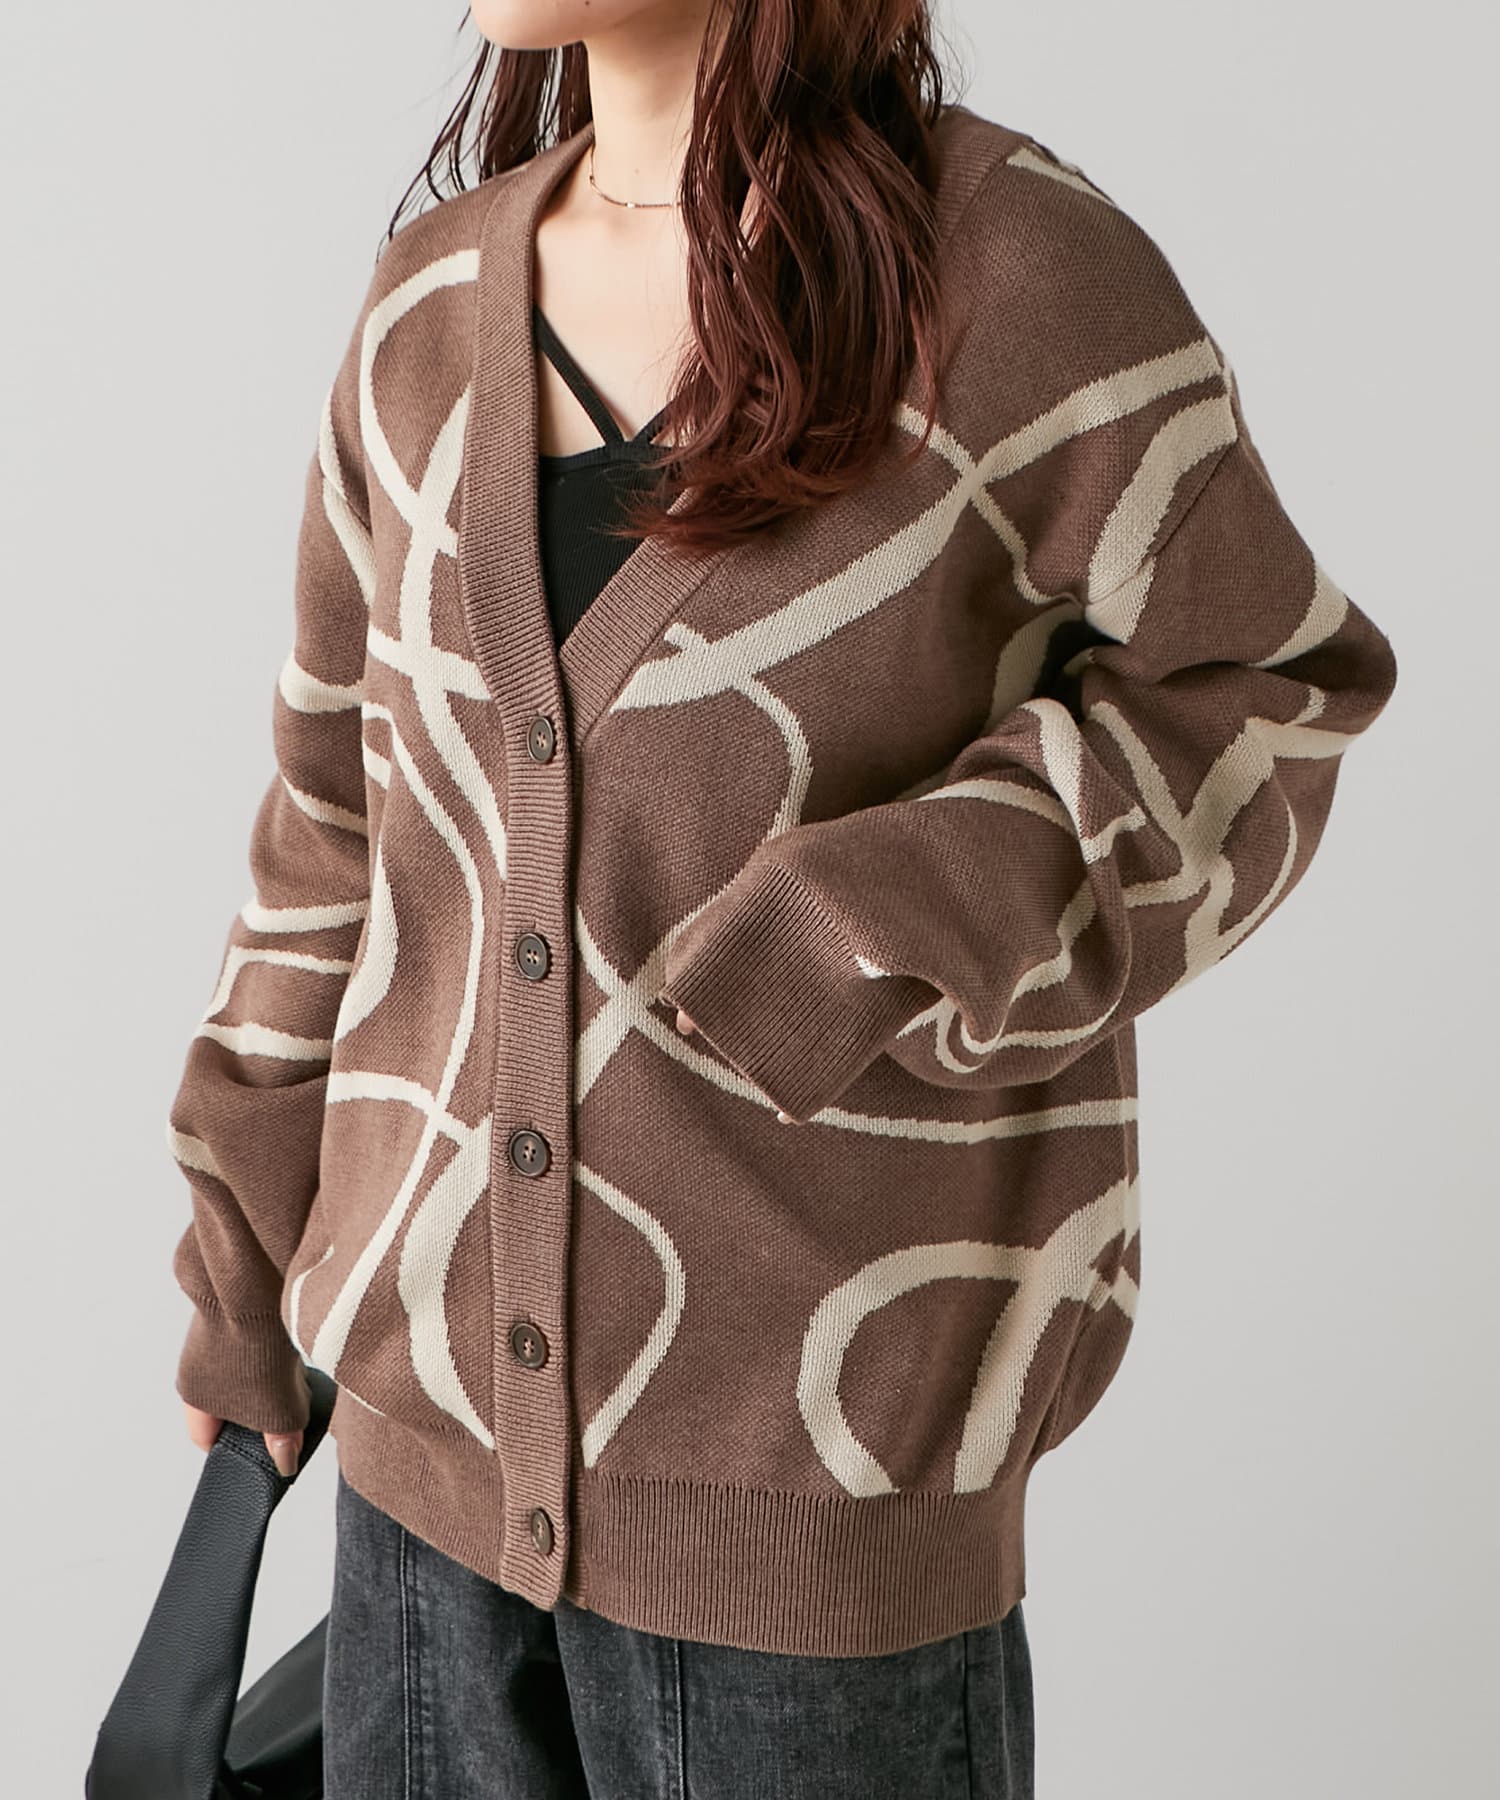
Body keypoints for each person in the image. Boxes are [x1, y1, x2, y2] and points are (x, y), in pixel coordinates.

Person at [167, 1, 1399, 1794]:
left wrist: (889, 917)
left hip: (814, 1529)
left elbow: (1269, 695)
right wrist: (241, 1267)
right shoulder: (426, 309)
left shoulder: (1011, 276)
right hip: (413, 1514)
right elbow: (331, 827)